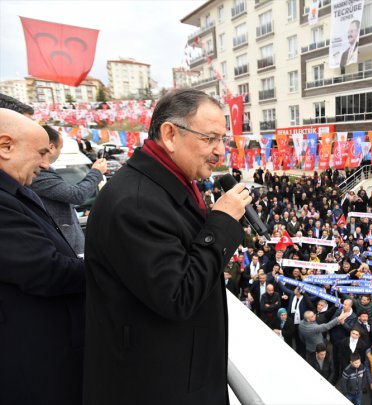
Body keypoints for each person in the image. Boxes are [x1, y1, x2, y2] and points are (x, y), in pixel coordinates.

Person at [83, 89, 253, 404]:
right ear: (170, 134)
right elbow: (177, 296)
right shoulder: (135, 202)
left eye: (223, 140)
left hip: (177, 373)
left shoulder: (167, 183)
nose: (220, 152)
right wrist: (223, 223)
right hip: (157, 385)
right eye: (210, 139)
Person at [0, 108, 86, 405]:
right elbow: (45, 270)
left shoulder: (13, 191)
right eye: (40, 153)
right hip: (33, 362)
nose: (45, 164)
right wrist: (110, 266)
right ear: (5, 146)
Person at [30, 125, 107, 255]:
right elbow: (77, 195)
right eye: (61, 148)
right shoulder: (39, 174)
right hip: (62, 246)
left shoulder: (45, 171)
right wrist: (96, 172)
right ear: (51, 147)